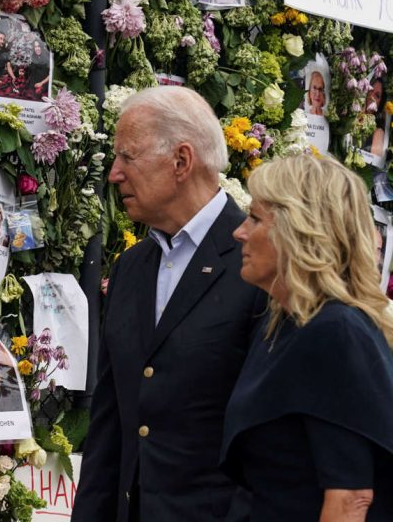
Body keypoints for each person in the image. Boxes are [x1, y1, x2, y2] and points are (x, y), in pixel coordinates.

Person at [73, 86, 265, 522]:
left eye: (128, 157)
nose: (114, 174)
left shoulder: (258, 263)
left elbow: (269, 438)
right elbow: (110, 424)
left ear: (181, 161)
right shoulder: (131, 267)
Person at [222, 155, 393, 520]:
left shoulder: (336, 333)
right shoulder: (284, 323)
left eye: (254, 218)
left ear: (297, 229)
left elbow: (350, 499)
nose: (239, 231)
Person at [364, 78, 387, 159]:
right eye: (370, 90)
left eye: (377, 96)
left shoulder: (378, 132)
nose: (371, 97)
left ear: (379, 104)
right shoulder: (350, 118)